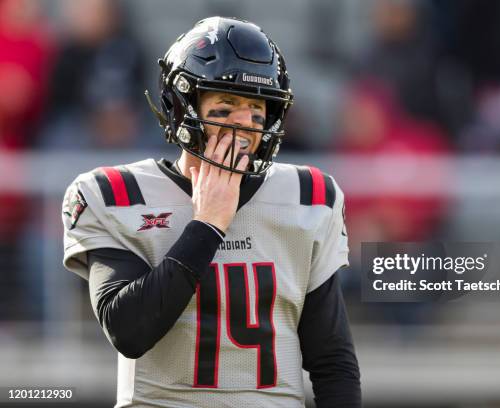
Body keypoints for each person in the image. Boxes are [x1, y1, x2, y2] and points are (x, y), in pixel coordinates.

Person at [61, 17, 361, 407]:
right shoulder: (115, 194)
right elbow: (128, 331)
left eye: (255, 108)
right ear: (182, 108)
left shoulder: (308, 195)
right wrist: (206, 225)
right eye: (225, 107)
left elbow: (332, 360)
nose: (243, 125)